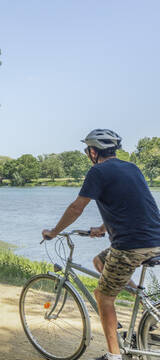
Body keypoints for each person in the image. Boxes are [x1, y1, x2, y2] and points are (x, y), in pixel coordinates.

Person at [42, 129, 160, 360]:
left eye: (88, 150)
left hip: (130, 246)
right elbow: (131, 205)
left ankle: (113, 356)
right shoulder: (133, 168)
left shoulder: (97, 171)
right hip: (155, 239)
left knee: (103, 296)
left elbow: (77, 207)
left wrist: (54, 232)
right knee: (99, 261)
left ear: (93, 151)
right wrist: (103, 228)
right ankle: (146, 309)